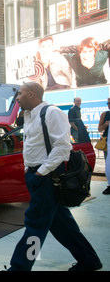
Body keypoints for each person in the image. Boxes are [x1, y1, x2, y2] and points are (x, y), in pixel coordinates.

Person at [8, 81, 102, 271]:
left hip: (48, 177)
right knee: (63, 225)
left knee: (35, 226)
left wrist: (41, 172)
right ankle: (89, 261)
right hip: (36, 175)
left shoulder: (51, 113)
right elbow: (33, 146)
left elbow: (63, 147)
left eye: (20, 93)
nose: (17, 98)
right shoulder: (28, 115)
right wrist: (29, 169)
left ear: (32, 94)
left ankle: (19, 268)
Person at [98, 97, 110, 195]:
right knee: (108, 162)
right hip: (107, 141)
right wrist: (106, 125)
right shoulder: (105, 114)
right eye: (108, 103)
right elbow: (99, 129)